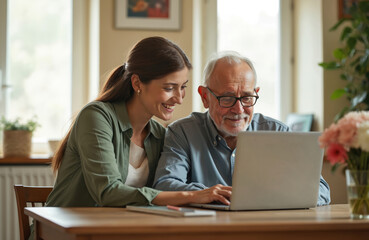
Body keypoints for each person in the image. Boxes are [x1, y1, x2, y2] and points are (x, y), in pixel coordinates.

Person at [44, 37, 232, 209]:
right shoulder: (96, 117)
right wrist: (190, 195)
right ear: (137, 84)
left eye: (182, 87)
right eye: (169, 88)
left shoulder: (160, 134)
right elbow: (107, 192)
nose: (179, 99)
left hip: (118, 230)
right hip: (64, 230)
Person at [153, 51, 331, 206]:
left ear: (256, 92)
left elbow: (321, 189)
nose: (238, 110)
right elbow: (164, 185)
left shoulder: (277, 132)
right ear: (205, 97)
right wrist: (204, 194)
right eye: (227, 98)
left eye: (246, 98)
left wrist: (267, 197)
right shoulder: (182, 132)